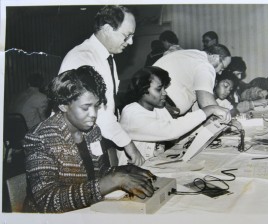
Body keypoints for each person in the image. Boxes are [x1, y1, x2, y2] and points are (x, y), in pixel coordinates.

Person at [23, 66, 155, 213]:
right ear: (63, 106)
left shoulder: (92, 131)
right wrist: (114, 180)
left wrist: (123, 170)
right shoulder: (40, 138)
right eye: (86, 108)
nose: (93, 114)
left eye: (96, 106)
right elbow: (47, 200)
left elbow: (96, 174)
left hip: (86, 211)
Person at [58, 6, 144, 166]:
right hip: (73, 146)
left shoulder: (106, 57)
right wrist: (128, 144)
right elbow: (99, 114)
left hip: (95, 137)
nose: (130, 42)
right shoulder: (82, 58)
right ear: (106, 29)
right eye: (127, 36)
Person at [119, 66, 230, 163]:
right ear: (142, 90)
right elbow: (172, 131)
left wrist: (206, 128)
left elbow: (179, 134)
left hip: (153, 164)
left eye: (164, 88)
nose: (165, 93)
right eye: (159, 89)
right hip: (131, 171)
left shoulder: (159, 109)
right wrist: (209, 109)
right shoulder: (131, 113)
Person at [153, 44, 232, 116]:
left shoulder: (193, 54)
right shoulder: (205, 65)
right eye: (222, 68)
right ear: (216, 57)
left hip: (154, 99)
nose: (220, 73)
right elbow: (206, 103)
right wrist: (226, 118)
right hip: (163, 104)